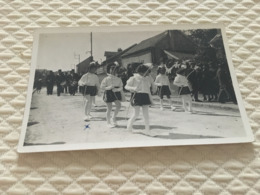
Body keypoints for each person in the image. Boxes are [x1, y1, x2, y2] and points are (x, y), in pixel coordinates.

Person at [125, 64, 156, 134]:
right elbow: (126, 86)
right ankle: (129, 126)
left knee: (146, 114)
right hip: (136, 96)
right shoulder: (134, 78)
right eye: (147, 72)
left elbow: (152, 84)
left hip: (145, 96)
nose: (148, 74)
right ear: (141, 72)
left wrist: (154, 89)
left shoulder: (147, 78)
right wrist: (133, 88)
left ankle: (147, 130)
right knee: (136, 113)